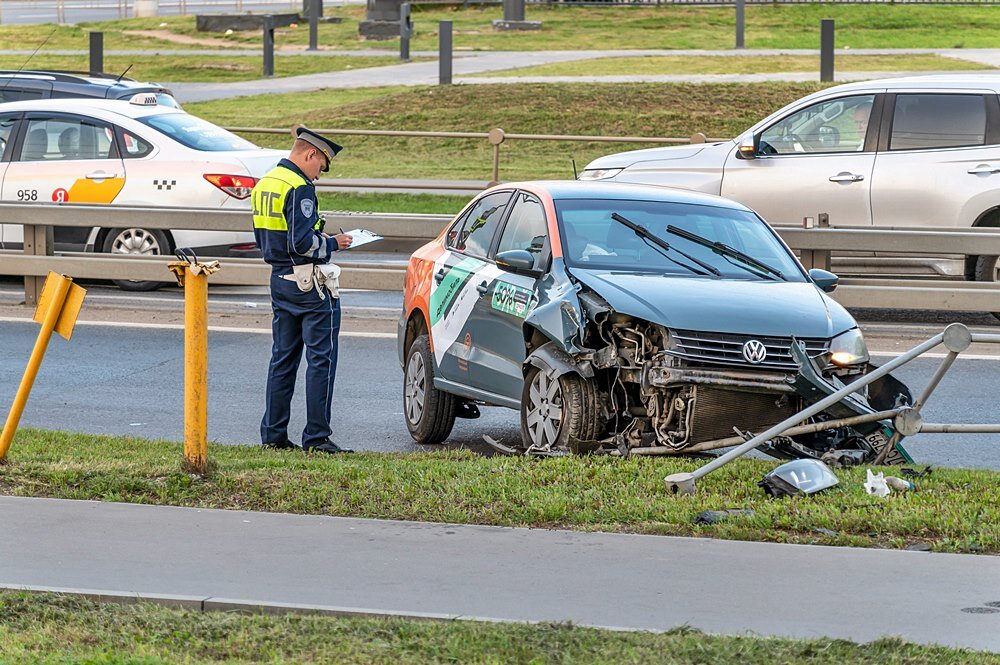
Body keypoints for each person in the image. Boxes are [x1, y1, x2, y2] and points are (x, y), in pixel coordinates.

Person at [251, 127, 354, 454]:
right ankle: (317, 437)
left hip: (279, 279)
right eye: (320, 166)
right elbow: (303, 242)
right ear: (310, 154)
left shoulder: (266, 182)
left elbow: (267, 238)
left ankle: (273, 434)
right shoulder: (299, 187)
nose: (319, 175)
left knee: (283, 359)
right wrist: (333, 243)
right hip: (309, 285)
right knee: (321, 360)